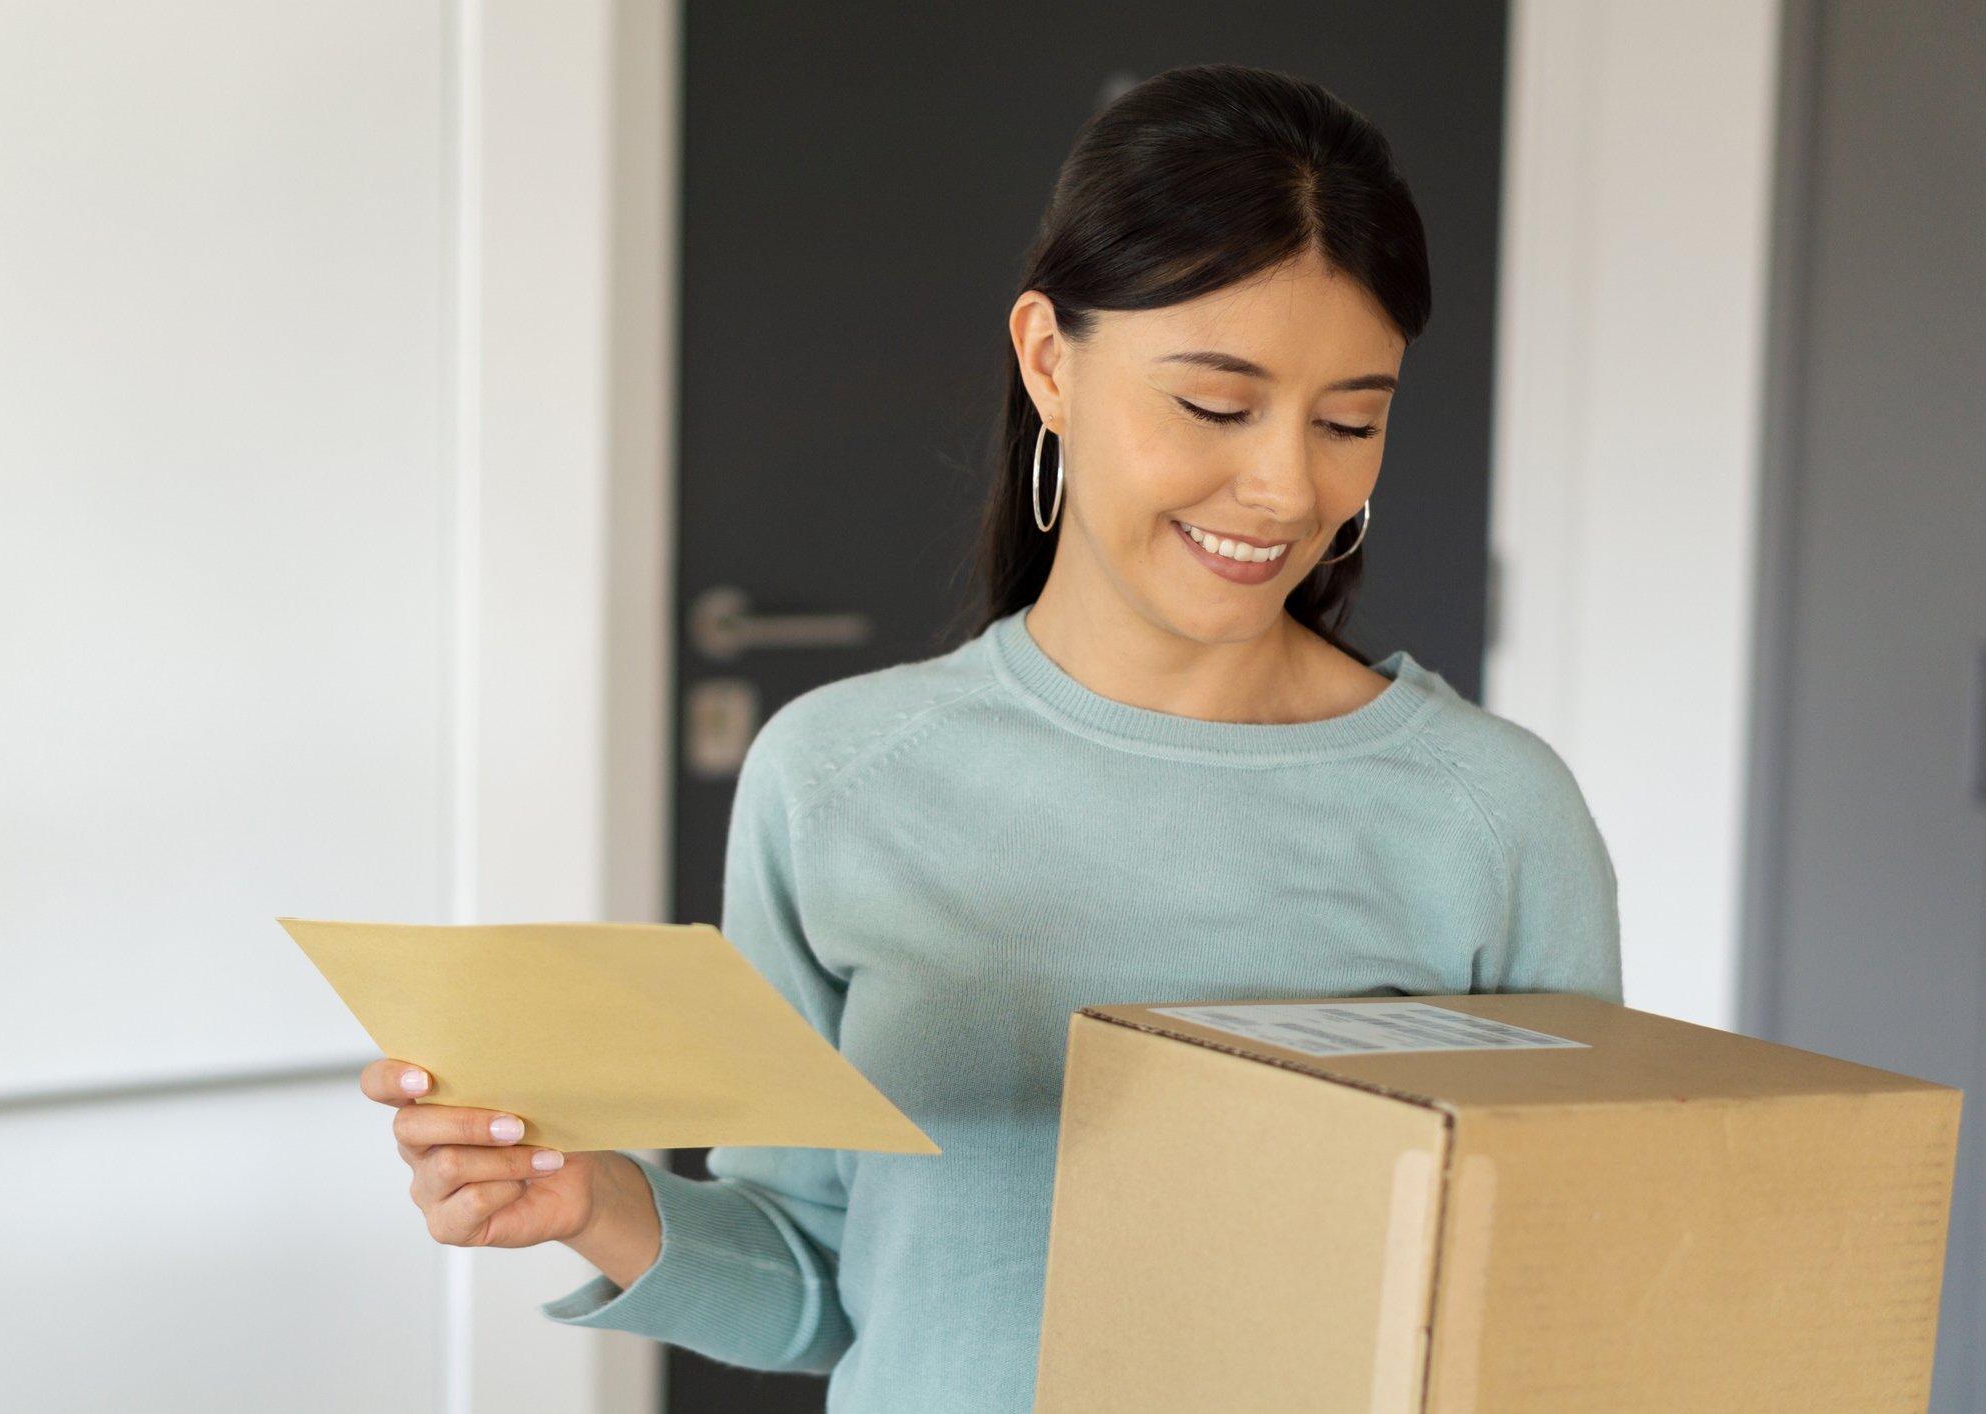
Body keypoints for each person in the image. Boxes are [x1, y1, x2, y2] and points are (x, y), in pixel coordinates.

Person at [358, 62, 1622, 1413]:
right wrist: (590, 1197)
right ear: (1047, 358)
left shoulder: (1492, 818)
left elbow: (1569, 1303)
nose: (1284, 486)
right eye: (1214, 404)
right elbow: (818, 1280)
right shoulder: (836, 777)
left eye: (1349, 420)